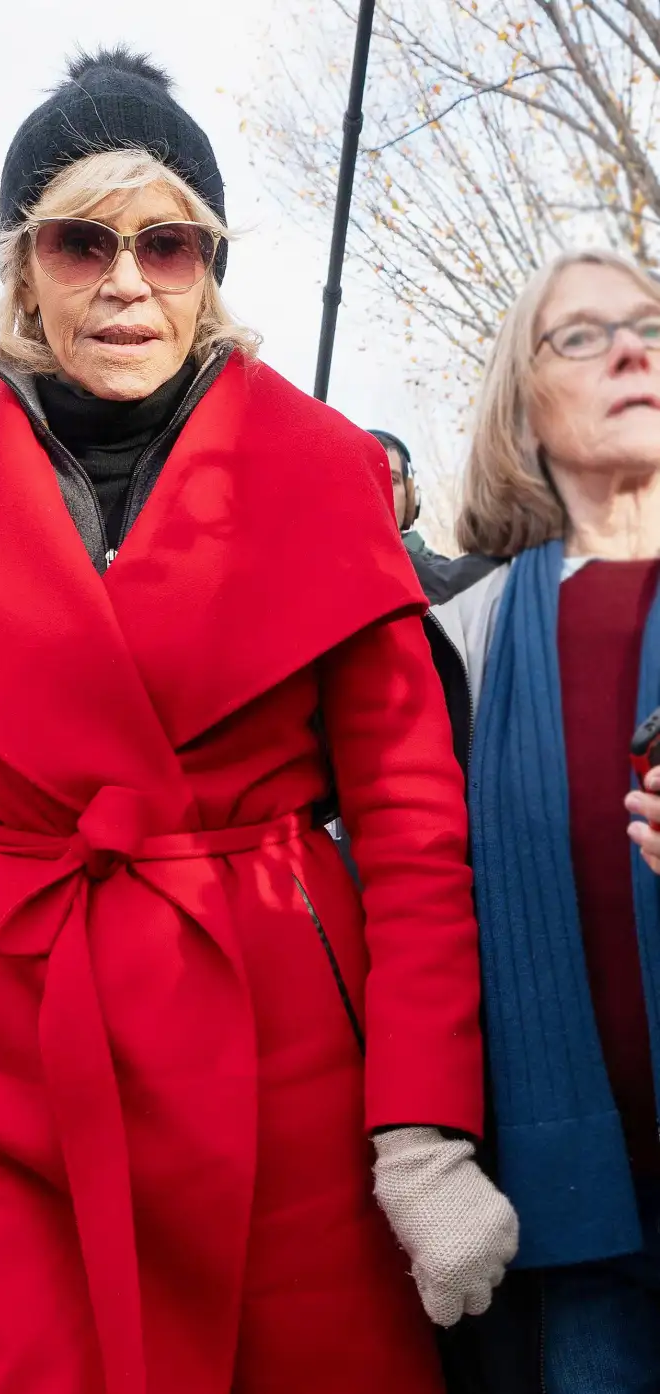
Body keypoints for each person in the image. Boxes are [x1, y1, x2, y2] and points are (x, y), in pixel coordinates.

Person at [0, 48, 516, 1394]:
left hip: (276, 1043)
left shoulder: (323, 471)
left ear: (209, 268)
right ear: (22, 264)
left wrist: (423, 1137)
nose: (123, 280)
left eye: (166, 243)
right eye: (79, 239)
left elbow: (408, 826)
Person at [408, 248, 660, 1393]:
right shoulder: (462, 639)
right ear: (523, 402)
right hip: (573, 1211)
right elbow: (402, 893)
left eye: (647, 327)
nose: (629, 349)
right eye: (580, 334)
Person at [369, 428, 444, 560]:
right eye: (369, 479)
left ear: (410, 497)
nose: (381, 491)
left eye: (392, 479)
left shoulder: (437, 576)